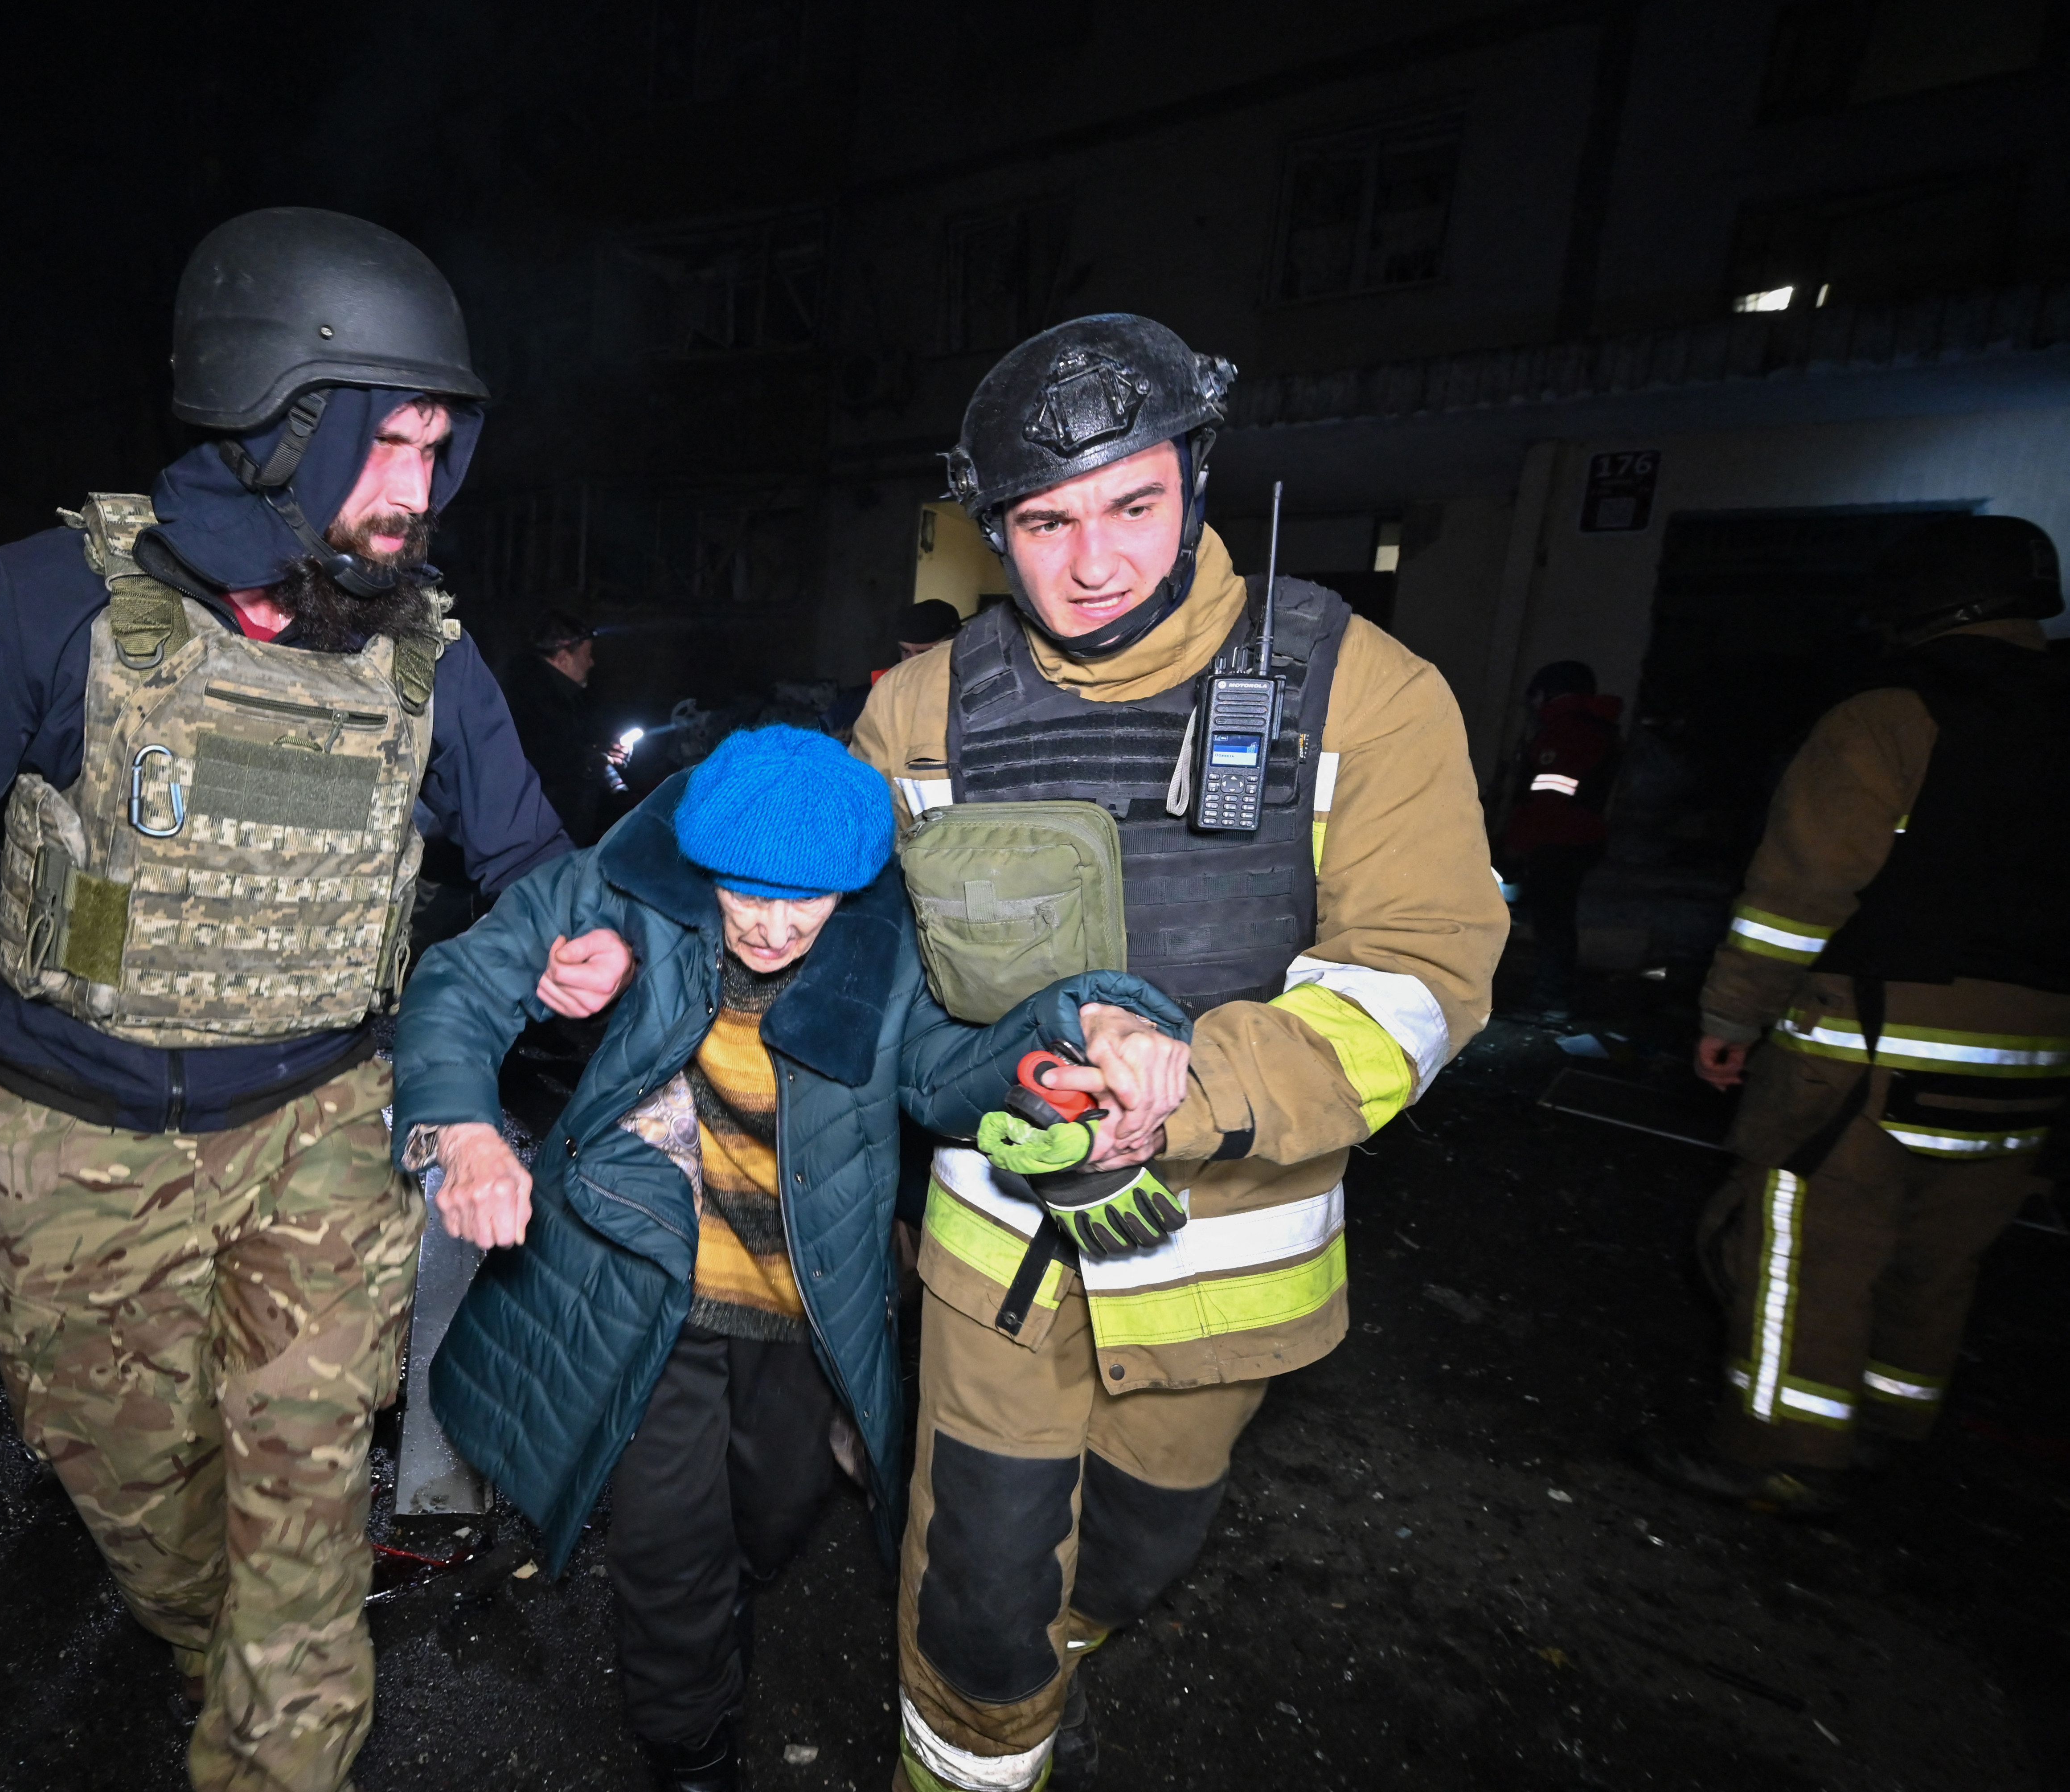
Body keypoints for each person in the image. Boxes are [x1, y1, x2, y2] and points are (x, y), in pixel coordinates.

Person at [0, 209, 639, 1792]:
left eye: (438, 447)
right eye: (384, 443)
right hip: (75, 1159)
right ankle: (219, 1638)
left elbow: (530, 858)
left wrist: (575, 941)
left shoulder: (428, 658)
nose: (416, 490)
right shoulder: (42, 603)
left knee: (303, 1542)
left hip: (327, 1134)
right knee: (171, 1530)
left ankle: (283, 1717)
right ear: (271, 424)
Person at [850, 314, 1504, 1790]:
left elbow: (1421, 974)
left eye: (1132, 505)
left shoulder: (1363, 690)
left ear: (1194, 483)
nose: (1092, 565)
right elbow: (846, 960)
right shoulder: (913, 710)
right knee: (981, 1590)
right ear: (993, 532)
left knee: (1132, 1560)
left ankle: (1053, 1657)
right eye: (1045, 522)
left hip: (1228, 1261)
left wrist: (1193, 1085)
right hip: (999, 1253)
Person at [387, 725, 1186, 1792]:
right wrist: (467, 1128)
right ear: (704, 863)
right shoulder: (628, 891)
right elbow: (466, 977)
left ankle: (724, 1604)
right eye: (743, 892)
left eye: (801, 899)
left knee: (775, 1513)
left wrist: (1086, 1026)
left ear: (851, 886)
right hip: (645, 1284)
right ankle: (690, 1744)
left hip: (806, 1307)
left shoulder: (886, 947)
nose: (768, 924)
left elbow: (954, 1073)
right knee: (668, 1547)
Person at [1640, 514, 2070, 1516]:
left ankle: (1778, 1450)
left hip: (1874, 1050)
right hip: (2040, 1055)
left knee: (1803, 1245)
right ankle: (1888, 1421)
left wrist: (1732, 1016)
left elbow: (1802, 891)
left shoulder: (1891, 716)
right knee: (1943, 1248)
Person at [1496, 660, 1623, 1019]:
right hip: (1574, 840)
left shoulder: (1566, 732)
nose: (1532, 706)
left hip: (1558, 843)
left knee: (1553, 922)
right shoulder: (1593, 729)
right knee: (1553, 919)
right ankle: (1550, 995)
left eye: (1535, 696)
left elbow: (1548, 801)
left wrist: (1517, 846)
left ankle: (1551, 1000)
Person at [505, 609, 616, 842]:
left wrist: (604, 753)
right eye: (587, 654)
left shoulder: (563, 696)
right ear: (564, 658)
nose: (592, 663)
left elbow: (575, 744)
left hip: (555, 838)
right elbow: (543, 760)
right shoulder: (528, 701)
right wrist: (591, 761)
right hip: (538, 842)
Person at [825, 599, 965, 738]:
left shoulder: (967, 703)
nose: (911, 663)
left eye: (924, 654)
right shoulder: (862, 700)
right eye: (905, 651)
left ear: (951, 650)